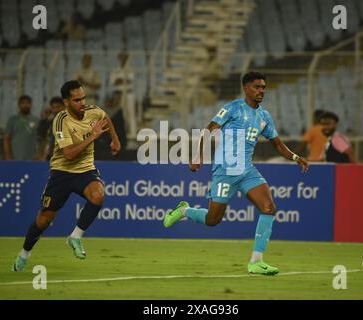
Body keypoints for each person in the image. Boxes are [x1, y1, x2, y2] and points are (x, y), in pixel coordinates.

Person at [163, 72, 309, 275]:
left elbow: (277, 144)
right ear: (246, 88)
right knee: (213, 220)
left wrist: (295, 157)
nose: (261, 91)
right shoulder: (232, 108)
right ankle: (184, 211)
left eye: (263, 87)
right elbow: (209, 129)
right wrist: (198, 156)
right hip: (225, 170)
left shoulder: (264, 116)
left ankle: (256, 262)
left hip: (247, 170)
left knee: (269, 207)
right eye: (257, 87)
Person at [12, 80, 121, 272]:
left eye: (83, 98)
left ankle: (76, 236)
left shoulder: (92, 111)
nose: (82, 103)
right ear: (66, 102)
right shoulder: (60, 121)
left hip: (85, 171)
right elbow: (69, 154)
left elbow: (106, 119)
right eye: (77, 100)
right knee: (43, 220)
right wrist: (93, 137)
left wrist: (115, 140)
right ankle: (24, 254)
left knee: (98, 195)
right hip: (62, 173)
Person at [3, 95, 39, 160]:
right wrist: (8, 156)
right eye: (23, 103)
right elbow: (6, 139)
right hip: (15, 158)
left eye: (27, 103)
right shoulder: (12, 120)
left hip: (32, 159)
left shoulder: (36, 120)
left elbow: (41, 140)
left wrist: (38, 156)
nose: (25, 105)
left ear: (31, 105)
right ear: (19, 105)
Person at [109, 52, 136, 139]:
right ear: (119, 58)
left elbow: (129, 80)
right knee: (120, 115)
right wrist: (122, 80)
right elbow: (113, 82)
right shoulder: (115, 70)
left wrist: (121, 80)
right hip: (119, 94)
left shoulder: (131, 69)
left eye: (125, 57)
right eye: (122, 57)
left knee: (130, 114)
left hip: (128, 93)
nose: (123, 59)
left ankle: (132, 133)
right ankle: (121, 134)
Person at [36, 97, 66, 161]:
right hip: (50, 157)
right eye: (53, 108)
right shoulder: (49, 123)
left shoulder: (69, 122)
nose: (56, 110)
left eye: (58, 107)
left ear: (64, 107)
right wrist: (43, 119)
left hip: (64, 158)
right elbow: (40, 136)